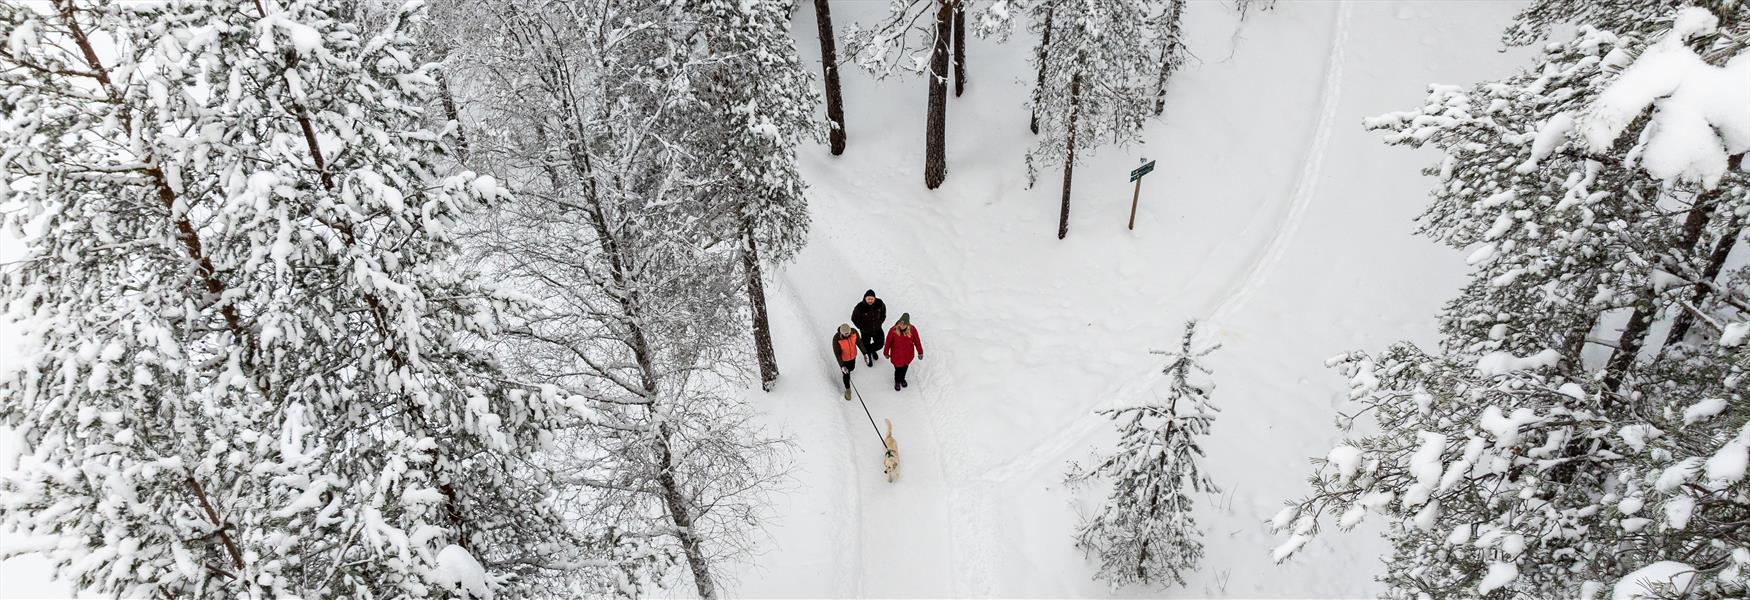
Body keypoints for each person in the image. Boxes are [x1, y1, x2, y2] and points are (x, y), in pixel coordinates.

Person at [884, 313, 923, 392]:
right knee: (898, 370)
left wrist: (920, 352)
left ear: (907, 324)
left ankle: (902, 379)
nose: (901, 326)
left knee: (905, 369)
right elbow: (888, 342)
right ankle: (897, 381)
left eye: (903, 324)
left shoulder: (912, 330)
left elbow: (917, 341)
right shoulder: (893, 330)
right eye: (900, 323)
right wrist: (886, 352)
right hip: (896, 356)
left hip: (908, 355)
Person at [850, 290, 887, 367]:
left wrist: (880, 322)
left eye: (872, 299)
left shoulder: (879, 303)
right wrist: (861, 326)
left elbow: (883, 313)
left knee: (880, 343)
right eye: (868, 299)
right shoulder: (859, 307)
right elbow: (854, 318)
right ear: (865, 298)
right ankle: (868, 356)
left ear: (874, 298)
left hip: (877, 329)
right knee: (865, 344)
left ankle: (870, 351)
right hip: (865, 331)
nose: (870, 300)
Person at [832, 323, 860, 400]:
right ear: (842, 333)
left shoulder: (854, 332)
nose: (848, 335)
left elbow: (859, 342)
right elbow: (837, 354)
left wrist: (865, 353)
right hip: (844, 360)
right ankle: (848, 390)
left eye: (849, 332)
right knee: (846, 375)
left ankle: (848, 372)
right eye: (845, 333)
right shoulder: (836, 339)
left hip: (853, 356)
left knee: (852, 368)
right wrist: (842, 366)